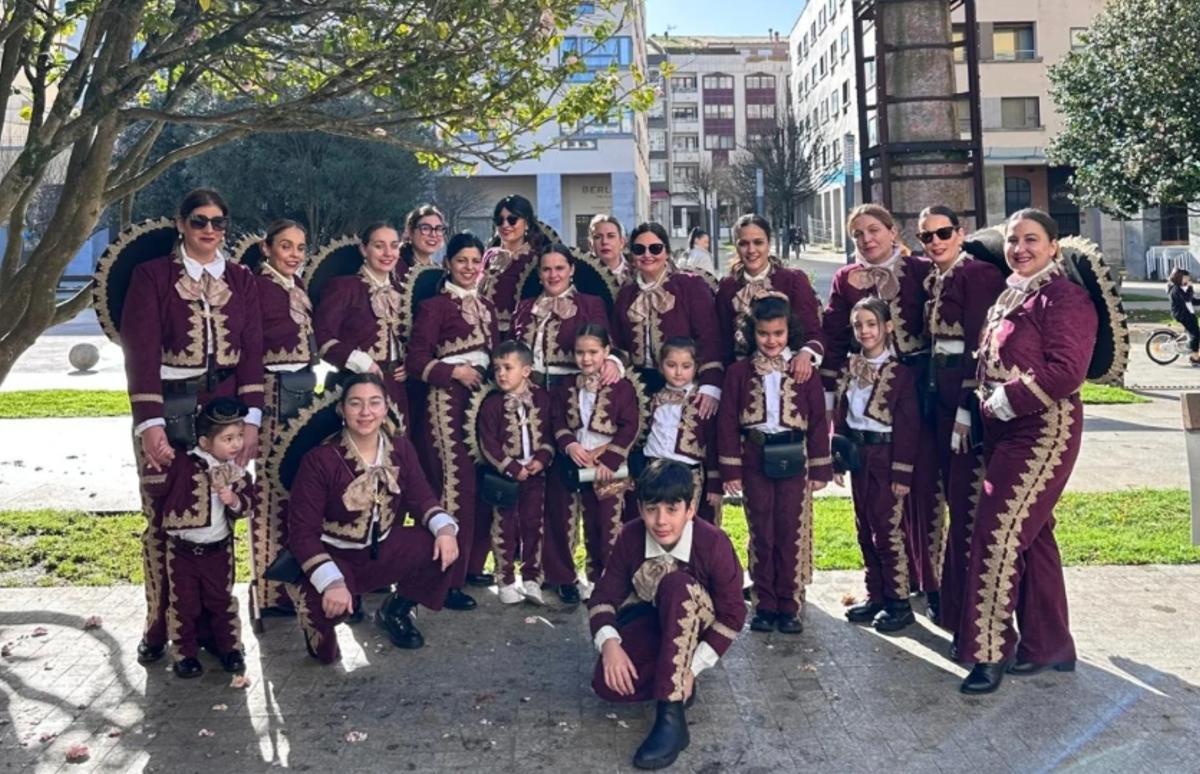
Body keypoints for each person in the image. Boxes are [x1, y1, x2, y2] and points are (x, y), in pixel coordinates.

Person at [120, 188, 264, 666]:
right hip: (169, 405)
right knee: (164, 515)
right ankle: (160, 624)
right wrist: (149, 424)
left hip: (223, 408)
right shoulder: (153, 276)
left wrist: (253, 419)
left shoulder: (241, 279)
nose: (209, 230)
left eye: (218, 222)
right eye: (200, 221)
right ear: (181, 224)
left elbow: (253, 351)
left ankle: (213, 631)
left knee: (221, 513)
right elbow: (140, 352)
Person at [957, 208, 1097, 694]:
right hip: (1002, 428)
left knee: (996, 533)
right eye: (1014, 240)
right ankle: (1050, 647)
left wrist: (1005, 399)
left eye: (1031, 239)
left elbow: (1066, 372)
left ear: (1054, 246)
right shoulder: (1014, 291)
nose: (1020, 248)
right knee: (1033, 537)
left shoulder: (1064, 297)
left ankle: (990, 653)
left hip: (1043, 430)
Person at [286, 374, 460, 664]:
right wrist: (332, 582)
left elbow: (421, 499)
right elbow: (302, 533)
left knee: (443, 542)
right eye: (356, 404)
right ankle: (320, 622)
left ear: (385, 408)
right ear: (342, 410)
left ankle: (395, 611)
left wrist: (444, 529)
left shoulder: (400, 448)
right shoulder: (320, 459)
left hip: (381, 549)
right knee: (326, 650)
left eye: (374, 403)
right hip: (334, 554)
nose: (365, 412)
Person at [819, 204, 941, 613]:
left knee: (921, 492)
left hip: (917, 388)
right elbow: (836, 338)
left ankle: (929, 581)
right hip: (866, 392)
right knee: (872, 512)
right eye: (858, 234)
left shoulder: (921, 270)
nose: (867, 239)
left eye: (874, 230)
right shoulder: (845, 279)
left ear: (892, 232)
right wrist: (830, 400)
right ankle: (886, 590)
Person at [588, 459, 746, 771]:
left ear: (690, 509)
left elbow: (733, 615)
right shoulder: (630, 536)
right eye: (651, 509)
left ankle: (671, 717)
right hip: (652, 617)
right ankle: (670, 673)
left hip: (699, 623)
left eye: (672, 509)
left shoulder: (713, 543)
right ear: (640, 507)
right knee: (606, 686)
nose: (661, 520)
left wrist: (693, 668)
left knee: (676, 585)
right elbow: (602, 598)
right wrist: (610, 645)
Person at [512, 244, 622, 605]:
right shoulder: (527, 307)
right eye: (546, 269)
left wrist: (614, 365)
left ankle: (599, 571)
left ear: (571, 269)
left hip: (573, 394)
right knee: (552, 492)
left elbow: (608, 347)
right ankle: (559, 573)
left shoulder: (590, 303)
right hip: (532, 400)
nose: (553, 275)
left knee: (585, 486)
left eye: (560, 268)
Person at [718, 297, 832, 634]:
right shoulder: (739, 372)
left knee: (790, 531)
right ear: (752, 334)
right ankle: (764, 602)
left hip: (793, 458)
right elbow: (726, 422)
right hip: (754, 458)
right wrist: (731, 470)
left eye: (778, 333)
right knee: (761, 532)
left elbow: (816, 423)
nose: (771, 341)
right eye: (764, 334)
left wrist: (821, 468)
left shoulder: (804, 371)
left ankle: (789, 604)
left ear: (789, 333)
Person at [917, 205, 1005, 637]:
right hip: (940, 402)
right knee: (952, 503)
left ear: (960, 232)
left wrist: (968, 413)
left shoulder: (977, 277)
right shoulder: (935, 278)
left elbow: (980, 349)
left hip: (965, 411)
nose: (935, 242)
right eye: (926, 236)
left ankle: (973, 618)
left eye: (943, 233)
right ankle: (953, 610)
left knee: (968, 508)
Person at [408, 232, 499, 609]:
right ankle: (445, 581)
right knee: (453, 484)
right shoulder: (434, 307)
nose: (468, 267)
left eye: (475, 260)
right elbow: (416, 361)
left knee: (481, 482)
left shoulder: (488, 306)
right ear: (448, 264)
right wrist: (455, 372)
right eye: (461, 260)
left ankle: (472, 566)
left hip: (483, 399)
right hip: (447, 401)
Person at [142, 397, 254, 679]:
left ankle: (230, 648)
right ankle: (185, 653)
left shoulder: (237, 472)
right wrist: (158, 459)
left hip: (219, 550)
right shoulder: (184, 463)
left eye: (239, 436)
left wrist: (234, 500)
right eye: (228, 438)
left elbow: (249, 504)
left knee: (222, 601)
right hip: (183, 552)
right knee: (184, 604)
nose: (236, 444)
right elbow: (155, 487)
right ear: (205, 442)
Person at [835, 298, 919, 633]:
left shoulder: (900, 374)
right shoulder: (850, 367)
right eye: (859, 325)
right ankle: (876, 595)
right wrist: (839, 456)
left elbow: (908, 426)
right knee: (863, 526)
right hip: (858, 454)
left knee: (887, 529)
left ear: (887, 327)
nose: (865, 331)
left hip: (886, 456)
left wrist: (902, 472)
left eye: (871, 324)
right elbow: (841, 416)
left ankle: (899, 601)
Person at [249, 219, 316, 619]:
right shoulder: (259, 286)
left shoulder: (296, 286)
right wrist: (254, 414)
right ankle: (270, 590)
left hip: (301, 395)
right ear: (267, 247)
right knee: (270, 492)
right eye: (286, 246)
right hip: (274, 395)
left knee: (293, 489)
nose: (293, 254)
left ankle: (292, 582)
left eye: (299, 248)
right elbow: (251, 349)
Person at [552, 324, 643, 587]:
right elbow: (558, 419)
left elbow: (630, 426)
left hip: (609, 467)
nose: (586, 358)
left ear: (606, 352)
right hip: (580, 463)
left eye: (593, 352)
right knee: (589, 524)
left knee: (610, 525)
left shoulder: (621, 386)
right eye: (580, 352)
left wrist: (609, 458)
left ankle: (614, 582)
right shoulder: (567, 384)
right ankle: (592, 580)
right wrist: (570, 445)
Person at [613, 222, 723, 409]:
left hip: (686, 384)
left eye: (655, 248)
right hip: (638, 388)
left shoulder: (690, 286)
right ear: (632, 255)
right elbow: (618, 342)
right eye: (639, 249)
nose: (647, 255)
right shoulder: (626, 294)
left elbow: (709, 337)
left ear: (667, 252)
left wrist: (710, 384)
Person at [478, 340, 555, 605]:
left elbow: (548, 434)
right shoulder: (492, 404)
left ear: (526, 370)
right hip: (505, 478)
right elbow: (488, 443)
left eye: (507, 367)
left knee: (534, 525)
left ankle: (533, 578)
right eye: (496, 368)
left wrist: (541, 459)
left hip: (535, 475)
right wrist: (511, 467)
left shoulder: (542, 399)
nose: (500, 373)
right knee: (504, 527)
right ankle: (506, 579)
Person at [313, 221, 410, 428]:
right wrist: (359, 361)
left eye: (394, 246)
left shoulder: (402, 292)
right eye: (379, 246)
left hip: (396, 388)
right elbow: (320, 336)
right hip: (354, 385)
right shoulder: (344, 287)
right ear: (363, 249)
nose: (387, 253)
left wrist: (408, 361)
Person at [716, 214, 824, 381]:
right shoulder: (727, 287)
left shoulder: (793, 280)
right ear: (736, 246)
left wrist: (805, 354)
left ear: (769, 243)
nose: (751, 250)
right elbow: (723, 340)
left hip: (789, 376)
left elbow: (812, 330)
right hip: (743, 380)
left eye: (758, 242)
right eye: (743, 243)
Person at [638, 337, 722, 525]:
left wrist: (715, 482)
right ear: (660, 367)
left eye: (686, 366)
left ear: (696, 367)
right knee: (657, 522)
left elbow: (713, 441)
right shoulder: (652, 398)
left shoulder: (703, 401)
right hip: (654, 469)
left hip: (689, 474)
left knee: (687, 524)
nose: (678, 372)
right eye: (671, 365)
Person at [480, 194, 545, 336]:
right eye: (500, 220)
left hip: (515, 335)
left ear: (526, 223)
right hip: (482, 333)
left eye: (512, 220)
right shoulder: (489, 255)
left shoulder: (535, 260)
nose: (505, 225)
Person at [398, 204, 447, 278]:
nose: (433, 234)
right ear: (411, 232)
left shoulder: (439, 272)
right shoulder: (396, 266)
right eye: (425, 228)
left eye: (438, 229)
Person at [1167, 267, 1200, 365]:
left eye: (1187, 277)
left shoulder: (1181, 288)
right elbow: (1186, 298)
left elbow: (1192, 300)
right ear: (1179, 277)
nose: (1188, 279)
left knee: (1195, 333)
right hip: (1183, 315)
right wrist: (1190, 288)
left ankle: (1192, 348)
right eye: (1185, 277)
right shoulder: (1175, 289)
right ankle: (1194, 359)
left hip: (1188, 314)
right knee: (1195, 334)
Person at [589, 213, 631, 286]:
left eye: (611, 236)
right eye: (598, 237)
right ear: (590, 244)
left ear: (622, 242)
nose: (604, 242)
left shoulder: (637, 271)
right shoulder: (580, 274)